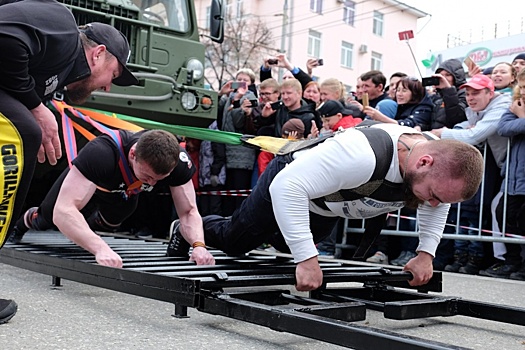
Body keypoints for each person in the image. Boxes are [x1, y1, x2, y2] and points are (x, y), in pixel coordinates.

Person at [168, 123, 484, 291]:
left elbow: (438, 203)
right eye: (431, 193)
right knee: (236, 242)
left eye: (439, 198)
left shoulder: (433, 167)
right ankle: (188, 228)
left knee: (283, 245)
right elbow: (287, 187)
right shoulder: (363, 155)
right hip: (291, 182)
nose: (430, 203)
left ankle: (289, 242)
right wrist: (307, 258)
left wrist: (425, 253)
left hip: (325, 207)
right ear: (424, 161)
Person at [0, 0, 139, 324]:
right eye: (113, 75)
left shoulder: (57, 74)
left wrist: (39, 104)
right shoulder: (62, 27)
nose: (107, 86)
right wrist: (35, 106)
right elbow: (5, 36)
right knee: (24, 132)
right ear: (97, 53)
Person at [11, 129, 216, 268]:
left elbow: (189, 211)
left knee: (114, 220)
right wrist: (100, 248)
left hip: (122, 195)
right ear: (133, 154)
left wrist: (199, 246)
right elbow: (64, 211)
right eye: (147, 177)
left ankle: (84, 232)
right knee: (47, 216)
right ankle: (23, 224)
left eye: (158, 179)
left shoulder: (179, 162)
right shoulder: (101, 153)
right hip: (91, 183)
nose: (152, 184)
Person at [431, 74, 511, 275]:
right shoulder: (477, 109)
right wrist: (459, 130)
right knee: (496, 210)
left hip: (510, 166)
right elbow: (465, 128)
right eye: (467, 93)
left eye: (476, 93)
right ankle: (501, 260)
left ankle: (505, 261)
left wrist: (442, 134)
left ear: (490, 93)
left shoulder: (501, 106)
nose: (471, 97)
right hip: (504, 166)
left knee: (498, 210)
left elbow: (474, 136)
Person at [481, 69, 525, 280]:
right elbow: (503, 128)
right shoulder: (515, 106)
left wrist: (522, 118)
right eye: (522, 87)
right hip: (513, 179)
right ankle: (512, 262)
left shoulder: (519, 111)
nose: (524, 92)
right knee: (504, 215)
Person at [364, 77, 434, 131]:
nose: (399, 94)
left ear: (415, 93)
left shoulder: (424, 108)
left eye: (404, 91)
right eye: (398, 90)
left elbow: (408, 125)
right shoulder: (399, 106)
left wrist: (381, 117)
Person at [429, 58, 468, 129]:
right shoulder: (438, 95)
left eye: (447, 75)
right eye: (441, 75)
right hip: (434, 136)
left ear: (457, 76)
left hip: (451, 137)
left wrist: (448, 90)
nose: (443, 78)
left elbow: (457, 117)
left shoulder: (465, 92)